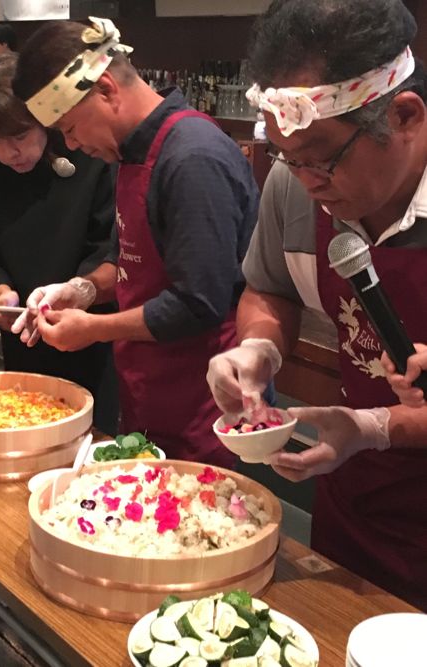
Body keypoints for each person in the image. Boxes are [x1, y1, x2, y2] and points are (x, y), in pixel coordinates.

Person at [207, 0, 427, 608]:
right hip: (351, 496)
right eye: (286, 157)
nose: (304, 183)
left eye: (322, 159)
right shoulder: (294, 183)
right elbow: (270, 288)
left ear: (405, 117)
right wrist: (257, 348)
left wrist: (377, 426)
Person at [10, 17, 267, 465]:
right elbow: (128, 258)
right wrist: (81, 290)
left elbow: (198, 302)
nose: (70, 144)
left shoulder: (193, 156)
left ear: (106, 88)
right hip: (149, 394)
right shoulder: (129, 152)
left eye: (69, 127)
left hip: (207, 403)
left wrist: (93, 330)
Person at [0, 53, 119, 435]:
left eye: (20, 136)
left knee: (91, 432)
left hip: (88, 320)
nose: (10, 152)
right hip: (23, 332)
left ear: (45, 119)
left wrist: (77, 292)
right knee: (23, 422)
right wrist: (2, 290)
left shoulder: (87, 152)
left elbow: (106, 242)